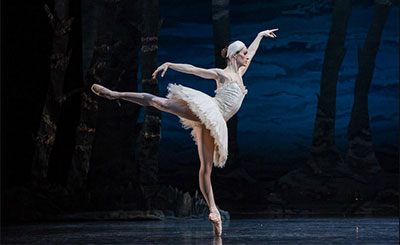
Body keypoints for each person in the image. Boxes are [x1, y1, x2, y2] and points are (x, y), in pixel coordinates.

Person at [91, 28, 278, 237]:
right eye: (243, 53)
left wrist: (260, 35)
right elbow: (193, 69)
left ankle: (213, 211)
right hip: (210, 109)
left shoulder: (240, 73)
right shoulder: (222, 74)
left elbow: (252, 51)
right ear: (234, 56)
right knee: (159, 102)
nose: (247, 56)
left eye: (246, 53)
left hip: (215, 123)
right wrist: (171, 64)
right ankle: (114, 94)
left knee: (206, 168)